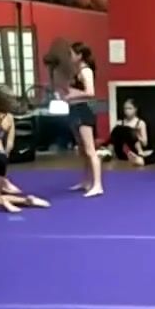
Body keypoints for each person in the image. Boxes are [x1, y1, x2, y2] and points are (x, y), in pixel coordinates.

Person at [63, 42, 104, 197]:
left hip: (83, 111)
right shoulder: (77, 71)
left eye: (71, 54)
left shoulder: (86, 71)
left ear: (79, 55)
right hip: (75, 110)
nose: (69, 57)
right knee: (82, 150)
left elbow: (90, 92)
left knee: (90, 150)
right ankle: (86, 181)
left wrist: (73, 94)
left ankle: (98, 185)